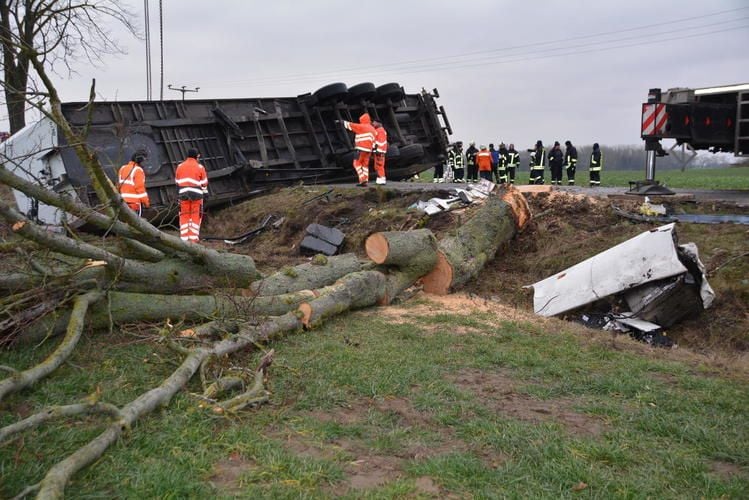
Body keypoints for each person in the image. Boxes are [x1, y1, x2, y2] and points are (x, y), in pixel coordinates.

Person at [175, 148, 208, 242]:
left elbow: (177, 182)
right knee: (195, 215)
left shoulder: (180, 166)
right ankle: (193, 239)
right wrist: (206, 194)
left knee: (184, 215)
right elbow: (204, 183)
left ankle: (184, 239)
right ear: (197, 156)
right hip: (197, 195)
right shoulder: (200, 167)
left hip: (183, 195)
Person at [339, 113, 375, 186]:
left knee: (356, 163)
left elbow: (351, 125)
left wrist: (341, 122)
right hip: (369, 150)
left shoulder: (361, 127)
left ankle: (362, 179)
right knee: (365, 165)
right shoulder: (372, 129)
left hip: (361, 149)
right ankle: (366, 180)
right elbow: (374, 140)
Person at [117, 151, 150, 216]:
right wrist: (146, 203)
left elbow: (118, 185)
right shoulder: (138, 170)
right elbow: (140, 189)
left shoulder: (122, 168)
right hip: (134, 204)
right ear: (141, 161)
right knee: (136, 224)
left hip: (123, 202)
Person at [372, 121, 388, 185]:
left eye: (374, 122)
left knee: (379, 166)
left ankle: (382, 179)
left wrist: (378, 150)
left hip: (379, 152)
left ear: (379, 123)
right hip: (379, 151)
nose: (373, 124)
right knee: (377, 166)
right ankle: (379, 180)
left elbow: (380, 142)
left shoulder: (380, 131)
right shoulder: (379, 130)